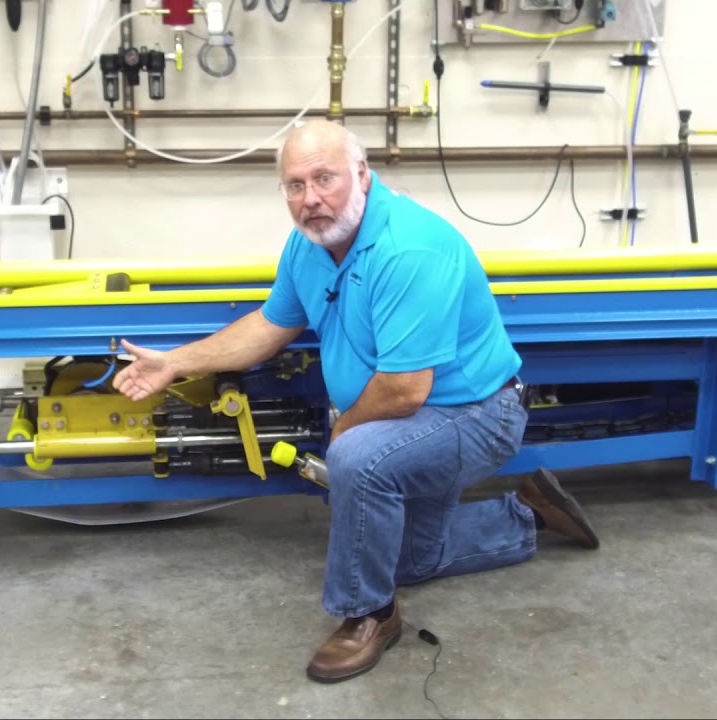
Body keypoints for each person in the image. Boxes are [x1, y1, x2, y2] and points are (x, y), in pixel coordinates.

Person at [112, 118, 599, 684]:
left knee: (356, 460)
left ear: (363, 175)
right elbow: (271, 325)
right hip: (412, 418)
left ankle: (369, 613)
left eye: (325, 178)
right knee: (408, 559)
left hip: (479, 414)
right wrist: (175, 362)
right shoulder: (308, 245)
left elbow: (403, 389)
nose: (310, 199)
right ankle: (526, 514)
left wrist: (344, 436)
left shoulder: (409, 249)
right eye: (295, 185)